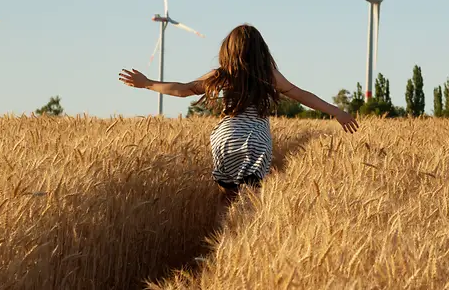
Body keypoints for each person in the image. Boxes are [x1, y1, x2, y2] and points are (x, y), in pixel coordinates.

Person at [118, 24, 359, 216]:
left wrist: (147, 83)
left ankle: (222, 239)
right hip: (255, 138)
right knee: (252, 196)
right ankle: (243, 239)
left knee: (228, 195)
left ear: (228, 49)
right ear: (261, 51)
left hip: (225, 138)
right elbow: (301, 94)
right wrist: (336, 111)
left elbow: (184, 89)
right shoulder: (269, 75)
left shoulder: (222, 75)